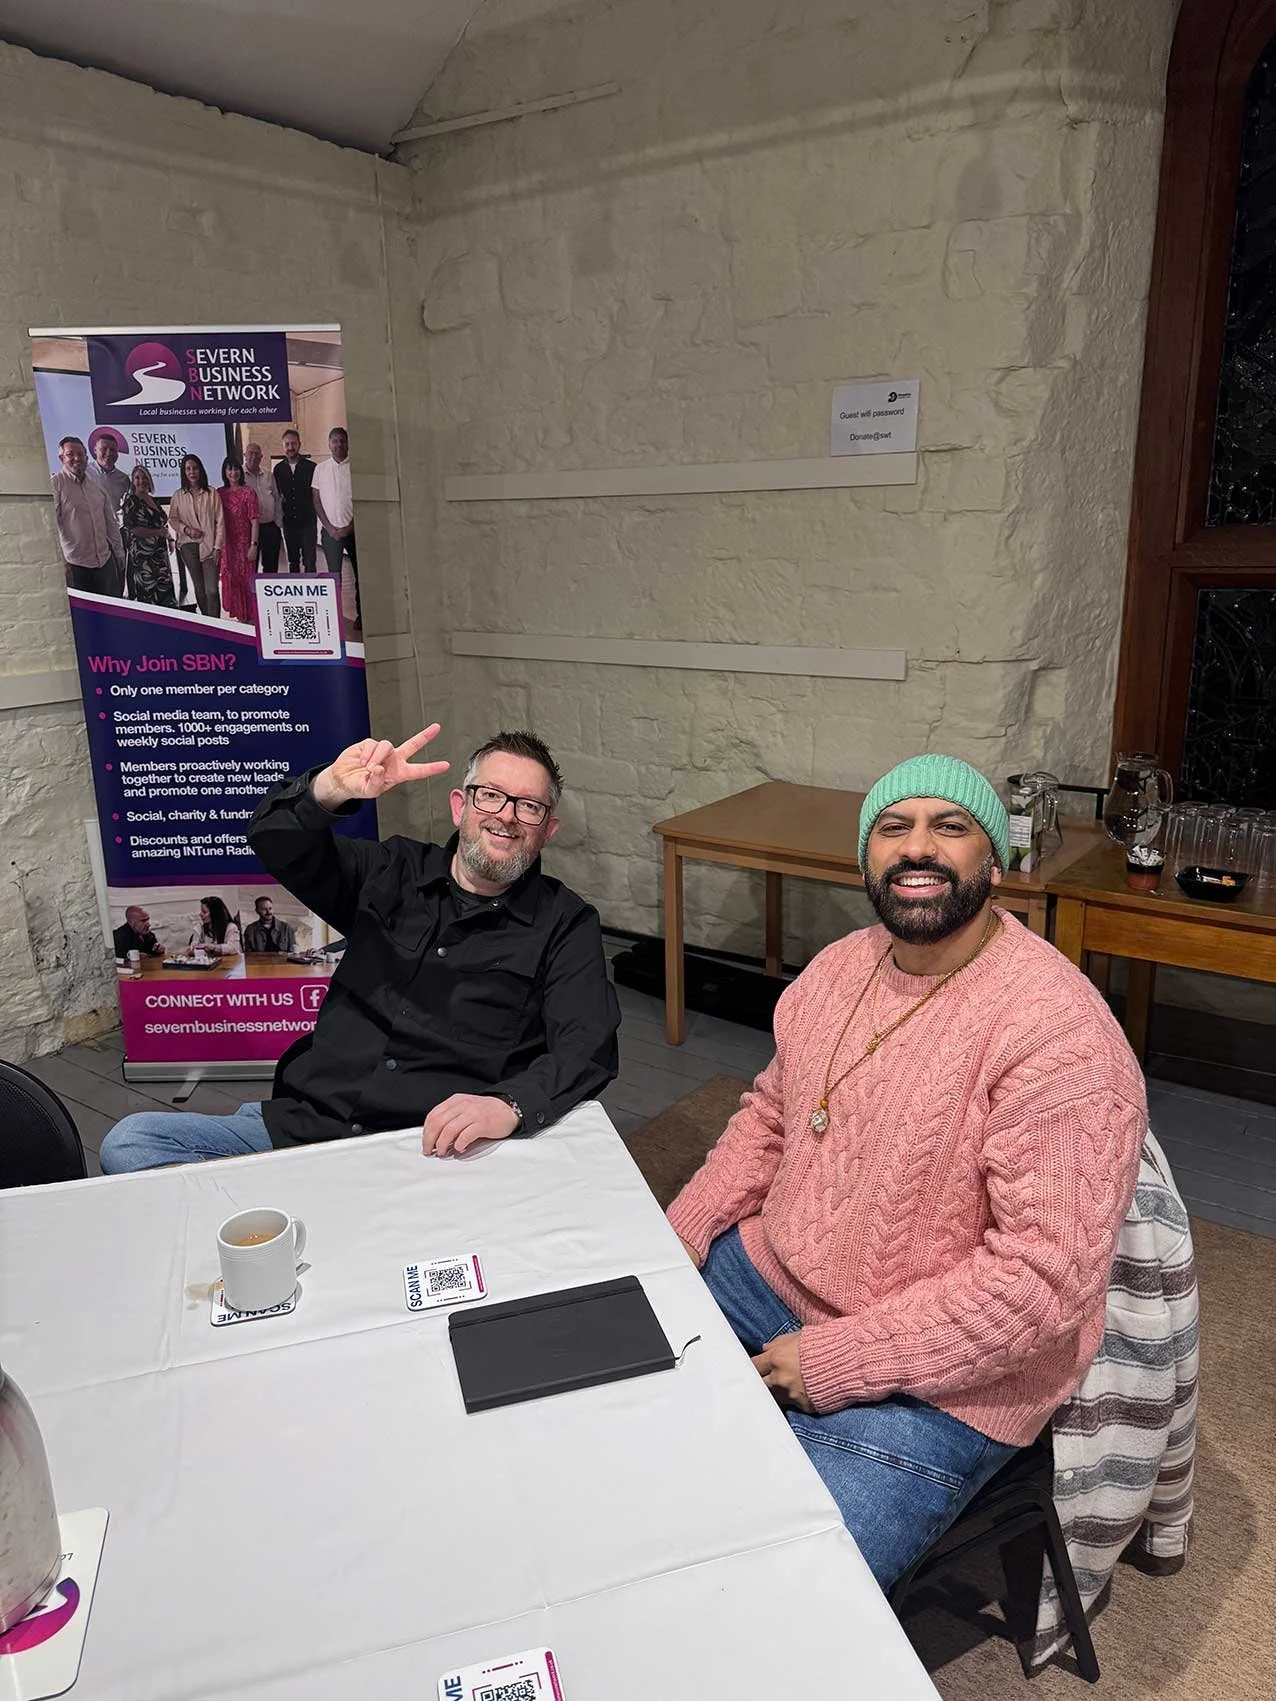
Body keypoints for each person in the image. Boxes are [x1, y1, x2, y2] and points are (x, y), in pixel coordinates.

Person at [666, 754, 1147, 1592]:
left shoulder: (1060, 1034)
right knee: (602, 1405)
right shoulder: (838, 967)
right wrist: (683, 1230)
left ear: (994, 861)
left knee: (777, 1589)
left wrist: (837, 1359)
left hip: (954, 1374)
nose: (917, 847)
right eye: (894, 828)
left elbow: (1039, 1284)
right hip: (774, 1273)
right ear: (867, 858)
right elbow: (773, 1115)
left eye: (950, 827)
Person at [99, 725, 620, 1173]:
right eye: (491, 795)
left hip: (432, 1151)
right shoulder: (390, 872)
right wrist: (329, 789)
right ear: (460, 806)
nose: (506, 815)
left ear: (547, 831)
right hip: (308, 1128)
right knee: (132, 1142)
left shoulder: (565, 923)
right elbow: (275, 841)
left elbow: (587, 1047)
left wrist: (509, 1105)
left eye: (529, 806)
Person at [52, 436, 124, 596]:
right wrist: (61, 562)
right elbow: (51, 527)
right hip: (75, 565)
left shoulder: (96, 487)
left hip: (105, 563)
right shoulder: (56, 485)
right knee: (83, 612)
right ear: (61, 458)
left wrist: (119, 554)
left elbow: (111, 524)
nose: (77, 458)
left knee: (110, 608)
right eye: (70, 454)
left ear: (86, 457)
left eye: (81, 454)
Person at [312, 426, 360, 629]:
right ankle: (332, 617)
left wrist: (350, 527)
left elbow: (362, 501)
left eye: (342, 440)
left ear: (347, 443)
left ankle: (361, 617)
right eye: (335, 441)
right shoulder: (320, 469)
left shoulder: (356, 468)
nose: (338, 444)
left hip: (355, 532)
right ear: (329, 444)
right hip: (330, 532)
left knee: (360, 576)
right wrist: (330, 528)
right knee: (333, 577)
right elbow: (316, 500)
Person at [168, 454, 224, 617]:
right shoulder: (178, 495)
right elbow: (172, 519)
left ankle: (216, 624)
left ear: (201, 470)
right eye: (188, 469)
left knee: (212, 590)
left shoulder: (211, 493)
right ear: (184, 472)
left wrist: (218, 547)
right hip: (188, 546)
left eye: (195, 468)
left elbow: (220, 521)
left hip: (210, 546)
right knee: (199, 590)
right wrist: (186, 530)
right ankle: (208, 623)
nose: (192, 472)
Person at [120, 464, 175, 606]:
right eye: (137, 478)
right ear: (133, 481)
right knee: (149, 594)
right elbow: (132, 528)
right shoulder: (131, 502)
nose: (141, 481)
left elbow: (161, 523)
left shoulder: (153, 500)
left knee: (165, 592)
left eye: (144, 477)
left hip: (160, 554)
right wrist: (157, 532)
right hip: (143, 557)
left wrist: (169, 538)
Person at [218, 456, 260, 624]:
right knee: (231, 579)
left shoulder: (248, 492)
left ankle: (250, 617)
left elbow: (255, 521)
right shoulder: (219, 493)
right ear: (225, 472)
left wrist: (253, 545)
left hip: (245, 544)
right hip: (227, 546)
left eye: (236, 469)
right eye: (229, 469)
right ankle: (239, 616)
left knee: (246, 580)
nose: (233, 473)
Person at [273, 428, 316, 572]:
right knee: (293, 562)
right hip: (289, 523)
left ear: (299, 444)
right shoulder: (278, 470)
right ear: (283, 446)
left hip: (308, 522)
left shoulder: (312, 467)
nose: (290, 447)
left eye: (293, 444)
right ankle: (296, 588)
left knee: (310, 562)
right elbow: (277, 495)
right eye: (287, 444)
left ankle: (311, 587)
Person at [243, 441, 283, 574]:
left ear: (261, 457)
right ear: (245, 455)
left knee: (271, 568)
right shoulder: (239, 476)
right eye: (250, 453)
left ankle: (269, 588)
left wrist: (278, 521)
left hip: (270, 526)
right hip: (249, 529)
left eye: (257, 454)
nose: (253, 457)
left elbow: (277, 498)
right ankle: (252, 589)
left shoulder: (268, 475)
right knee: (251, 567)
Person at [87, 431, 132, 519]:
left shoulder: (124, 479)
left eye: (112, 450)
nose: (108, 453)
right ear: (95, 450)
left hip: (116, 526)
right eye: (104, 449)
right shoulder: (84, 473)